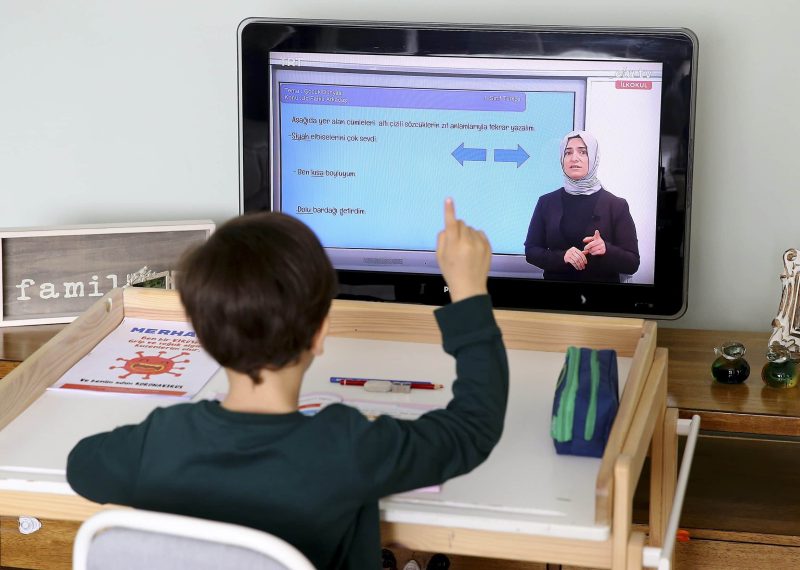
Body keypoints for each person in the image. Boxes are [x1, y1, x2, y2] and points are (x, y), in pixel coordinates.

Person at [66, 199, 508, 570]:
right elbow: (473, 428)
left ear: (202, 337)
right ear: (320, 333)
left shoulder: (160, 440)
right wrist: (468, 292)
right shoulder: (346, 446)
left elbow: (81, 466)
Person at [524, 130, 640, 282]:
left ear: (593, 158)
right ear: (562, 159)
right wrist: (562, 257)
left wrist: (606, 250)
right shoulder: (546, 202)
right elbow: (531, 251)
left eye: (583, 152)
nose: (574, 158)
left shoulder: (617, 205)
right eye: (568, 152)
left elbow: (632, 263)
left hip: (601, 301)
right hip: (554, 299)